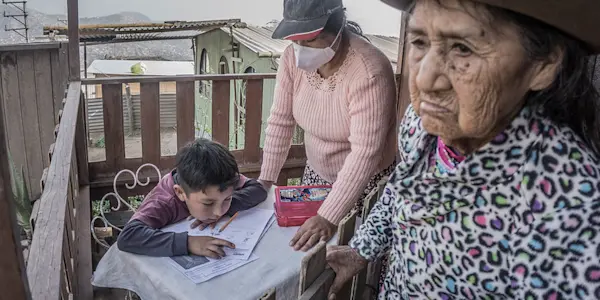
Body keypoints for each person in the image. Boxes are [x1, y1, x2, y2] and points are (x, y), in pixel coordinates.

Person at [326, 0, 600, 299]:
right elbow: (402, 188)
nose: (424, 78)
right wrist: (361, 249)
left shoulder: (568, 204)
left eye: (463, 48)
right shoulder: (420, 127)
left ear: (543, 64)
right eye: (419, 41)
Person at [259, 0, 398, 252]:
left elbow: (365, 153)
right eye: (295, 40)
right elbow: (281, 120)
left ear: (337, 29)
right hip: (316, 174)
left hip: (366, 183)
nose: (300, 49)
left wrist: (328, 216)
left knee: (354, 258)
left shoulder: (369, 71)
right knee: (308, 251)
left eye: (310, 40)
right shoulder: (292, 59)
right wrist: (265, 181)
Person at [117, 138, 268, 259]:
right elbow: (128, 236)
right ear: (181, 193)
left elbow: (258, 189)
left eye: (226, 199)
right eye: (208, 203)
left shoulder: (220, 178)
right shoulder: (164, 201)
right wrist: (188, 243)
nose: (218, 212)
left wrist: (229, 204)